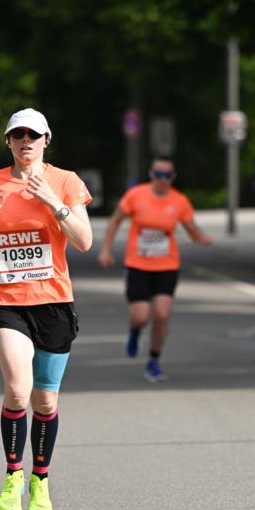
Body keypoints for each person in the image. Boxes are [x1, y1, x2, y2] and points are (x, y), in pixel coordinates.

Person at [0, 108, 93, 510]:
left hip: (54, 302)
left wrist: (54, 202)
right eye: (17, 135)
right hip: (7, 300)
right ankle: (13, 474)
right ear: (8, 141)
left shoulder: (66, 181)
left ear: (46, 140)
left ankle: (40, 480)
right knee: (18, 390)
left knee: (44, 399)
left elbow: (85, 241)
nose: (26, 141)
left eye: (33, 135)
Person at [98, 157, 213, 381]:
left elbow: (191, 229)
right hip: (138, 265)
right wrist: (105, 250)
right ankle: (134, 333)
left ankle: (153, 361)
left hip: (166, 266)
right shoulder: (136, 195)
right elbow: (115, 221)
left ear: (172, 178)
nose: (162, 180)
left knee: (161, 314)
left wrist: (202, 238)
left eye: (167, 176)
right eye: (158, 174)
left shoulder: (179, 201)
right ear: (151, 174)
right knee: (140, 316)